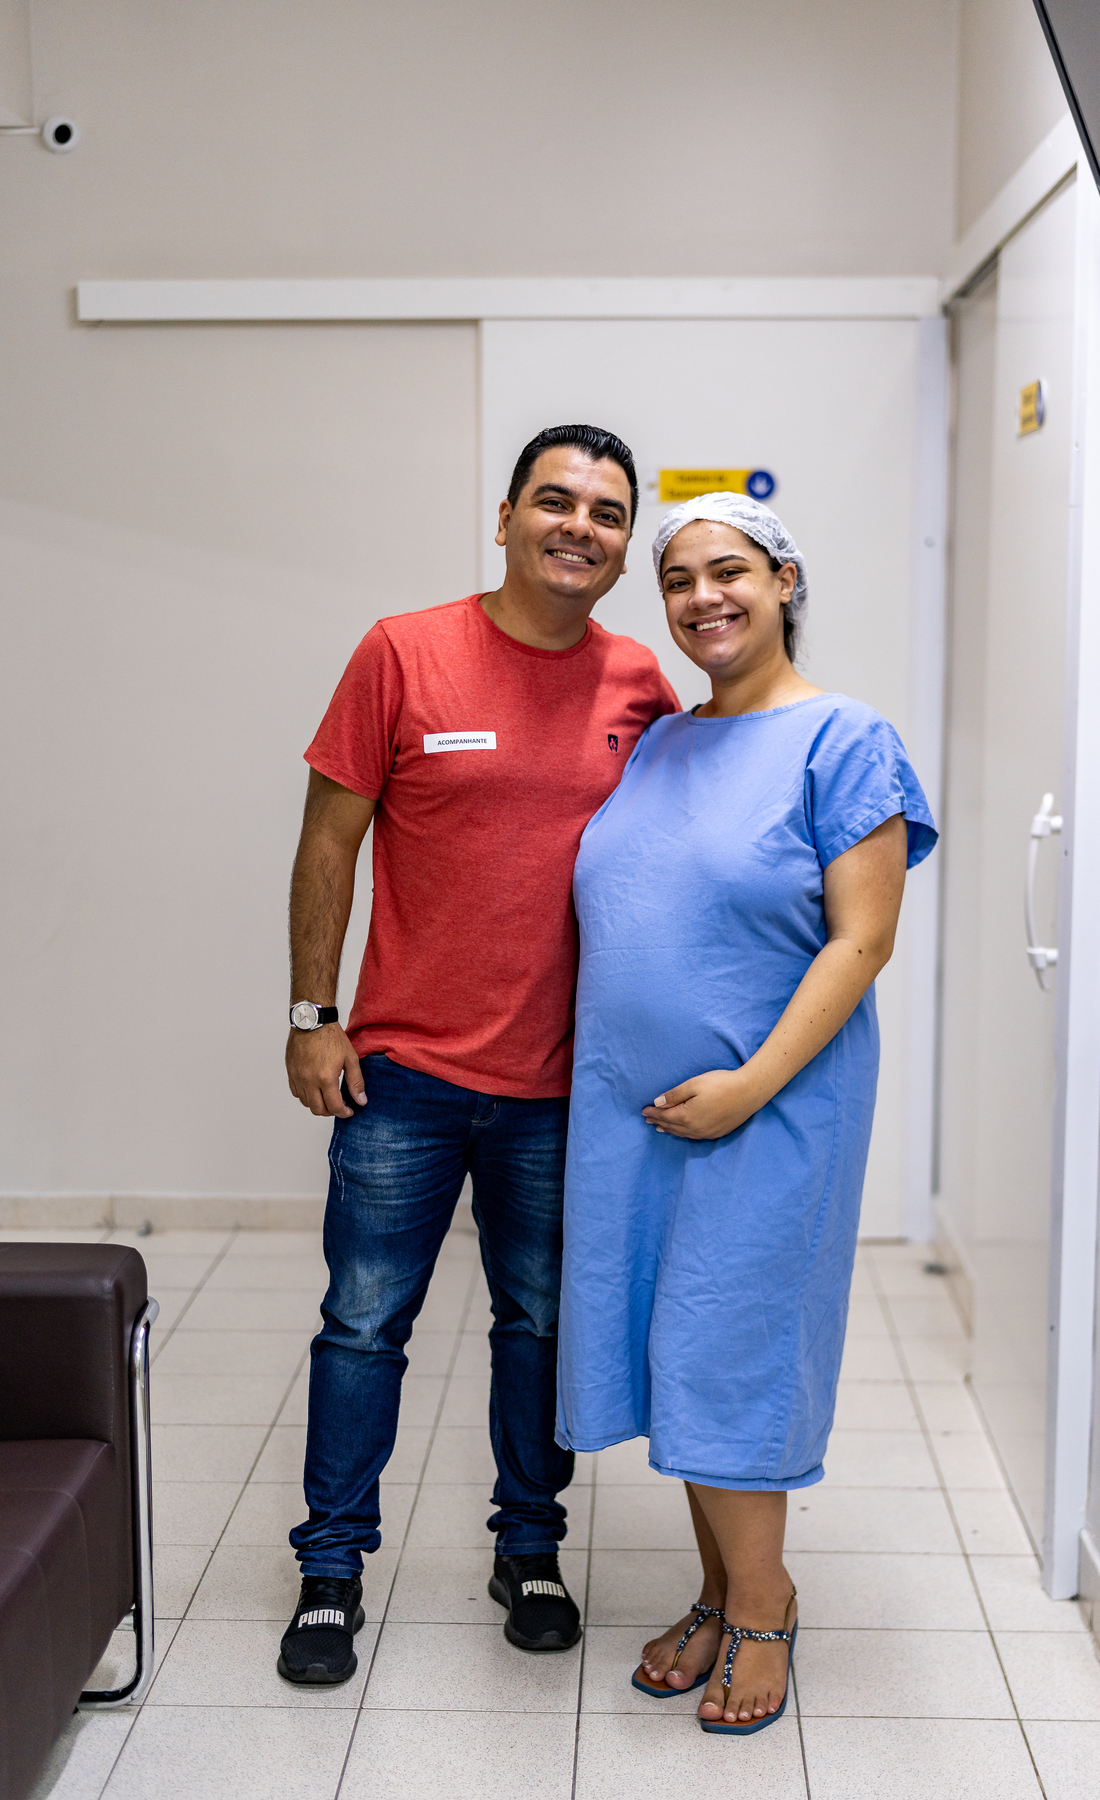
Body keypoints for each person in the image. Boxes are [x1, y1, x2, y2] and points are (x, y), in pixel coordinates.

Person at [278, 424, 678, 1685]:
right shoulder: (403, 652)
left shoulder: (639, 685)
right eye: (554, 501)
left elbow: (681, 859)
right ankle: (330, 1568)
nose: (579, 526)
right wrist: (312, 1014)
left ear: (624, 547)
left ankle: (530, 1546)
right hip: (401, 1072)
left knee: (540, 1324)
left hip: (566, 1086)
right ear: (504, 519)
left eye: (606, 513)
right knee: (362, 1324)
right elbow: (329, 841)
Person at [556, 492, 936, 1734]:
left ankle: (765, 1607)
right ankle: (718, 1592)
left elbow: (862, 939)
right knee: (677, 1350)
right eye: (677, 581)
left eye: (729, 572)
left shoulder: (845, 737)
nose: (702, 598)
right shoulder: (664, 741)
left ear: (783, 583)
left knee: (733, 1349)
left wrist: (751, 1085)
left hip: (773, 1111)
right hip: (637, 1117)